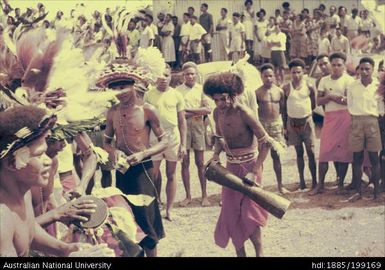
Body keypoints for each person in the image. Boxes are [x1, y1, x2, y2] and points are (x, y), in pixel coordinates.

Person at [0, 106, 113, 257]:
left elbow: (28, 230)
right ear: (10, 163)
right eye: (39, 155)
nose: (48, 161)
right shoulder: (2, 218)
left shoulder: (22, 192)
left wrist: (64, 249)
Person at [204, 72, 270, 257]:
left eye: (223, 99)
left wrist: (254, 172)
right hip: (230, 168)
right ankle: (240, 254)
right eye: (215, 100)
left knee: (251, 213)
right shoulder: (217, 112)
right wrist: (216, 155)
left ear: (234, 94)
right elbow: (219, 138)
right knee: (231, 213)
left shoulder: (245, 113)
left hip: (250, 167)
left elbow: (266, 143)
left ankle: (259, 253)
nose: (219, 104)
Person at [103, 76, 169, 257]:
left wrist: (143, 154)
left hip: (143, 171)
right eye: (116, 89)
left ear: (133, 86)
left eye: (124, 87)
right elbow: (106, 143)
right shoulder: (112, 112)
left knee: (146, 219)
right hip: (123, 171)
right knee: (124, 218)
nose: (120, 93)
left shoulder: (147, 110)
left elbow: (165, 141)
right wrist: (114, 151)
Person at [143, 65, 187, 221]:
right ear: (156, 77)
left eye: (166, 75)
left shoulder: (176, 95)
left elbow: (182, 122)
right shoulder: (148, 95)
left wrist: (183, 144)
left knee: (171, 174)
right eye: (160, 75)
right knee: (153, 174)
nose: (163, 78)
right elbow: (145, 121)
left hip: (172, 138)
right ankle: (154, 207)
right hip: (154, 138)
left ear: (171, 77)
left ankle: (169, 209)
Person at [313, 52, 355, 195]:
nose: (336, 67)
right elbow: (318, 101)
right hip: (329, 117)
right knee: (324, 152)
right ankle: (320, 186)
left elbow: (350, 101)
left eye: (339, 65)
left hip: (344, 117)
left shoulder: (349, 80)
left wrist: (337, 99)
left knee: (343, 152)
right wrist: (331, 96)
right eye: (334, 65)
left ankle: (341, 184)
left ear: (344, 65)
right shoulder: (324, 80)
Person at [176, 62, 212, 207]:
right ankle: (188, 196)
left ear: (196, 75)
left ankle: (204, 195)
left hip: (198, 127)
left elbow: (208, 110)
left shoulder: (201, 89)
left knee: (200, 163)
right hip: (183, 129)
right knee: (185, 162)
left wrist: (189, 111)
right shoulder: (177, 91)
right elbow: (179, 113)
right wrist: (197, 111)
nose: (190, 76)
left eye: (192, 74)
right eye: (187, 74)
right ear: (183, 75)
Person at [347, 57, 381, 201]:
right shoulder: (353, 86)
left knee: (374, 158)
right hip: (356, 121)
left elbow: (381, 107)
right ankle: (358, 192)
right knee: (357, 158)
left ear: (373, 70)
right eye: (362, 69)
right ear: (358, 70)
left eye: (367, 69)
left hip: (373, 121)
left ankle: (377, 193)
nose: (365, 72)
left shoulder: (379, 86)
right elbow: (350, 105)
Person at [282, 59, 317, 190]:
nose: (296, 75)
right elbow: (283, 109)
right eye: (293, 72)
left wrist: (306, 116)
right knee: (299, 153)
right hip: (292, 124)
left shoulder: (309, 87)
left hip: (307, 123)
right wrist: (285, 127)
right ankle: (302, 181)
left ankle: (314, 182)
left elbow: (314, 104)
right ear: (290, 73)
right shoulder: (286, 88)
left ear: (304, 72)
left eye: (299, 72)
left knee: (311, 152)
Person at [256, 64, 288, 194]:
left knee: (276, 156)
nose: (268, 78)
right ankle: (258, 184)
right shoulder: (257, 92)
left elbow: (284, 110)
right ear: (261, 77)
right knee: (260, 157)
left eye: (270, 76)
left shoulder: (279, 91)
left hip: (276, 125)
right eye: (265, 76)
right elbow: (254, 112)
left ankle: (280, 186)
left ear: (274, 76)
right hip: (262, 125)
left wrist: (285, 127)